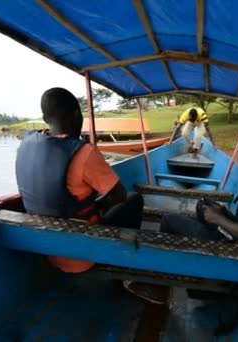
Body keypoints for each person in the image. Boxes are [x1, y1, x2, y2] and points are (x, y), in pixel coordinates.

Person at [15, 87, 143, 273]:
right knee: (133, 199)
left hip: (45, 249)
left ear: (45, 119)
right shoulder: (83, 152)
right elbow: (119, 195)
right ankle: (126, 265)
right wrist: (97, 206)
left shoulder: (26, 144)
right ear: (77, 114)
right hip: (82, 256)